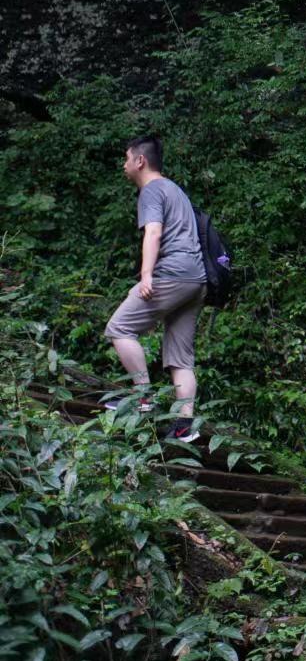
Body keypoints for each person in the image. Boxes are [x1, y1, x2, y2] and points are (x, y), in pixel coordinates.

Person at [105, 136, 205, 441]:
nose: (124, 165)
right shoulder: (176, 191)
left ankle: (142, 397)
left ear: (140, 161)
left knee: (119, 328)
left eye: (126, 159)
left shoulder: (151, 190)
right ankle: (184, 426)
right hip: (196, 280)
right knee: (180, 357)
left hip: (171, 274)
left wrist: (146, 274)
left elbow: (153, 231)